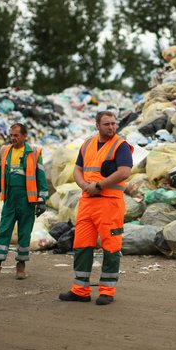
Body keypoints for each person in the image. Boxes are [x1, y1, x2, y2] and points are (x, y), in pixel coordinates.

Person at [59, 111, 133, 305]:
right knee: (82, 245)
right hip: (87, 202)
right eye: (107, 124)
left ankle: (107, 291)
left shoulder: (120, 145)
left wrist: (99, 185)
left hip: (109, 202)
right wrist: (84, 185)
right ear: (97, 125)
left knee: (111, 246)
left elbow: (124, 171)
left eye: (114, 124)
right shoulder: (88, 144)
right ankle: (80, 290)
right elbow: (77, 169)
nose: (111, 127)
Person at [0, 123, 48, 280]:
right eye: (11, 135)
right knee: (4, 231)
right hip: (9, 199)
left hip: (27, 200)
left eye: (16, 135)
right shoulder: (5, 151)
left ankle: (21, 266)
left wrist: (42, 200)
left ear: (24, 136)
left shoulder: (34, 153)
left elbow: (41, 178)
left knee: (24, 233)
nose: (13, 138)